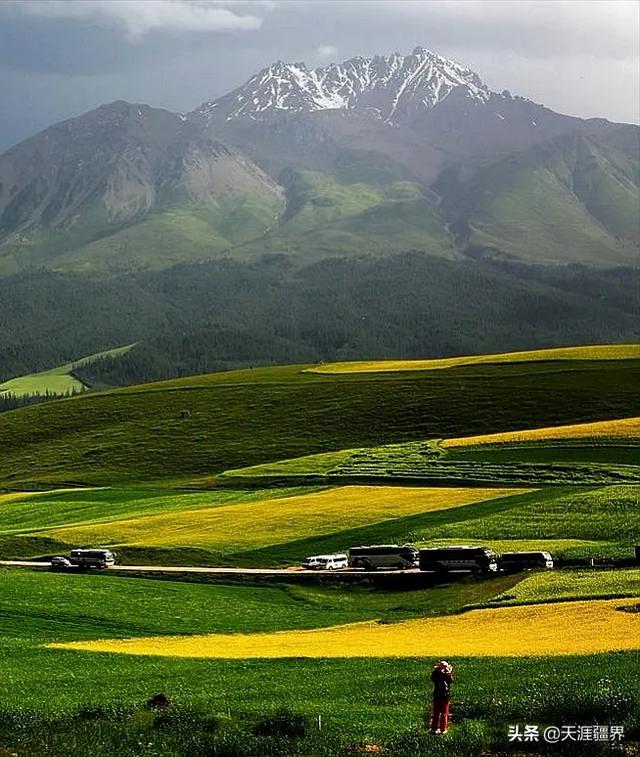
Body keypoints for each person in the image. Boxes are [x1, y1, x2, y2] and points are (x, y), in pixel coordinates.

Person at [429, 660, 454, 734]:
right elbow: (433, 678)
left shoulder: (447, 675)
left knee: (444, 713)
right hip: (437, 695)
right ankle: (434, 728)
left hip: (445, 696)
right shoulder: (436, 674)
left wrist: (448, 673)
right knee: (436, 713)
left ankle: (443, 728)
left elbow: (451, 680)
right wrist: (437, 671)